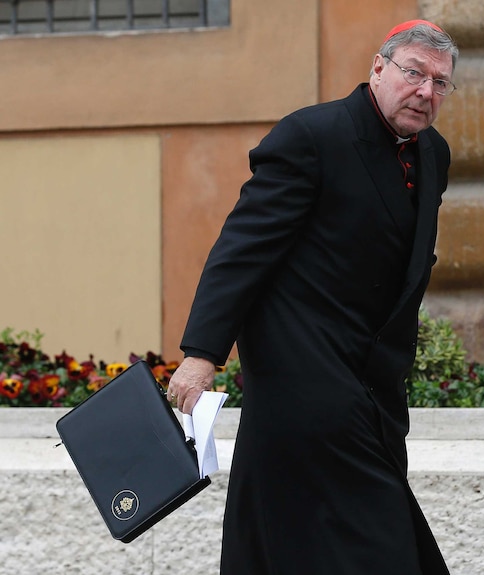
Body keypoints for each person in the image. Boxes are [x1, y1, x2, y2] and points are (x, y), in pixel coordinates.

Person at [166, 19, 458, 575]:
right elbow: (243, 250)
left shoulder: (433, 154)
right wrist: (203, 355)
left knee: (294, 544)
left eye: (439, 83)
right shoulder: (310, 136)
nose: (425, 91)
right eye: (413, 73)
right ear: (378, 68)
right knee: (381, 545)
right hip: (302, 378)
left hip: (374, 389)